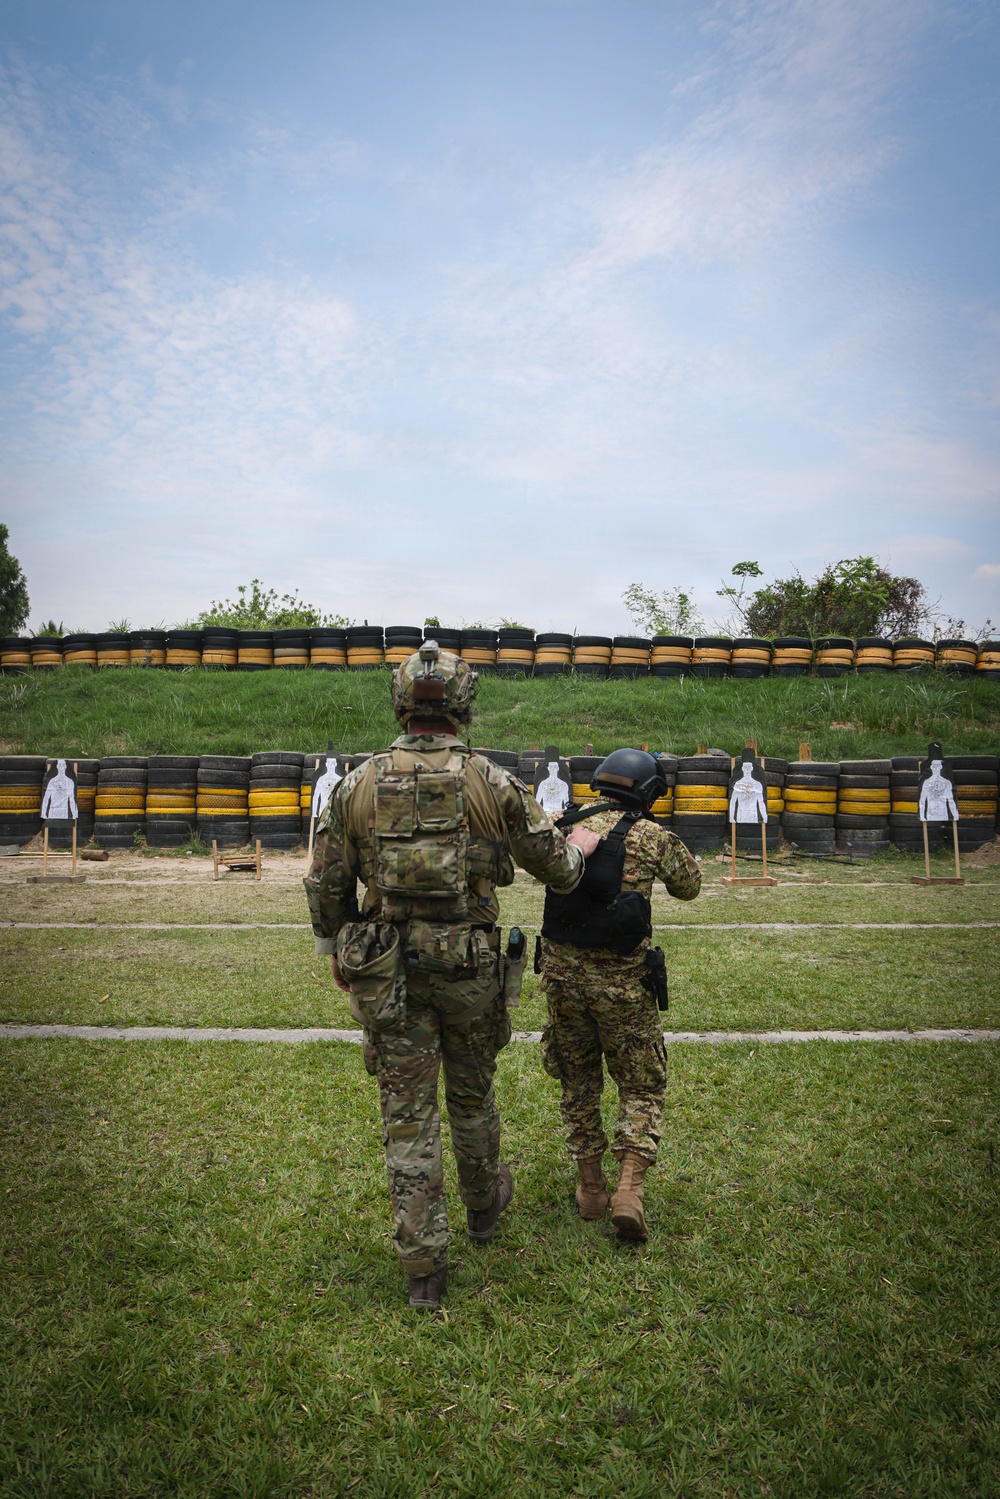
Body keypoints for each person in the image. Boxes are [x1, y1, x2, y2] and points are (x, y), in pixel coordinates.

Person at [304, 642, 595, 1311]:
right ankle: (484, 1207)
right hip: (469, 971)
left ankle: (425, 1273)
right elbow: (558, 867)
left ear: (402, 701)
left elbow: (325, 880)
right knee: (471, 1097)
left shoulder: (357, 783)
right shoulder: (492, 782)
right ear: (463, 704)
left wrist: (336, 945)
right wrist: (579, 848)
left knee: (408, 1122)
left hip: (387, 977)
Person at [539, 749, 702, 1241]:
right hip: (625, 986)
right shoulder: (652, 835)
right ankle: (628, 1191)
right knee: (641, 1083)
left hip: (563, 982)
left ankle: (591, 1188)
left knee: (577, 1080)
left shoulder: (563, 824)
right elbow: (689, 887)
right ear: (649, 791)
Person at [918, 759, 959, 824]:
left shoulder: (946, 783)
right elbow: (922, 800)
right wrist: (922, 816)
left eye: (937, 766)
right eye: (934, 766)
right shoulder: (927, 783)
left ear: (940, 767)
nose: (935, 768)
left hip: (943, 813)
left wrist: (955, 815)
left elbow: (951, 800)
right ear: (931, 767)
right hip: (931, 813)